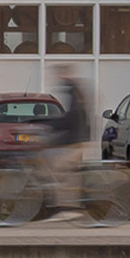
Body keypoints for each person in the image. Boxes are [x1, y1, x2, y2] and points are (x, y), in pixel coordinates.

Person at [33, 62, 98, 221]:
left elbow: (71, 119)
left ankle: (69, 208)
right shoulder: (75, 91)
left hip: (75, 141)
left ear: (65, 74)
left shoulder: (74, 93)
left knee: (59, 170)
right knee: (50, 161)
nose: (56, 77)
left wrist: (50, 127)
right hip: (76, 139)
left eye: (58, 74)